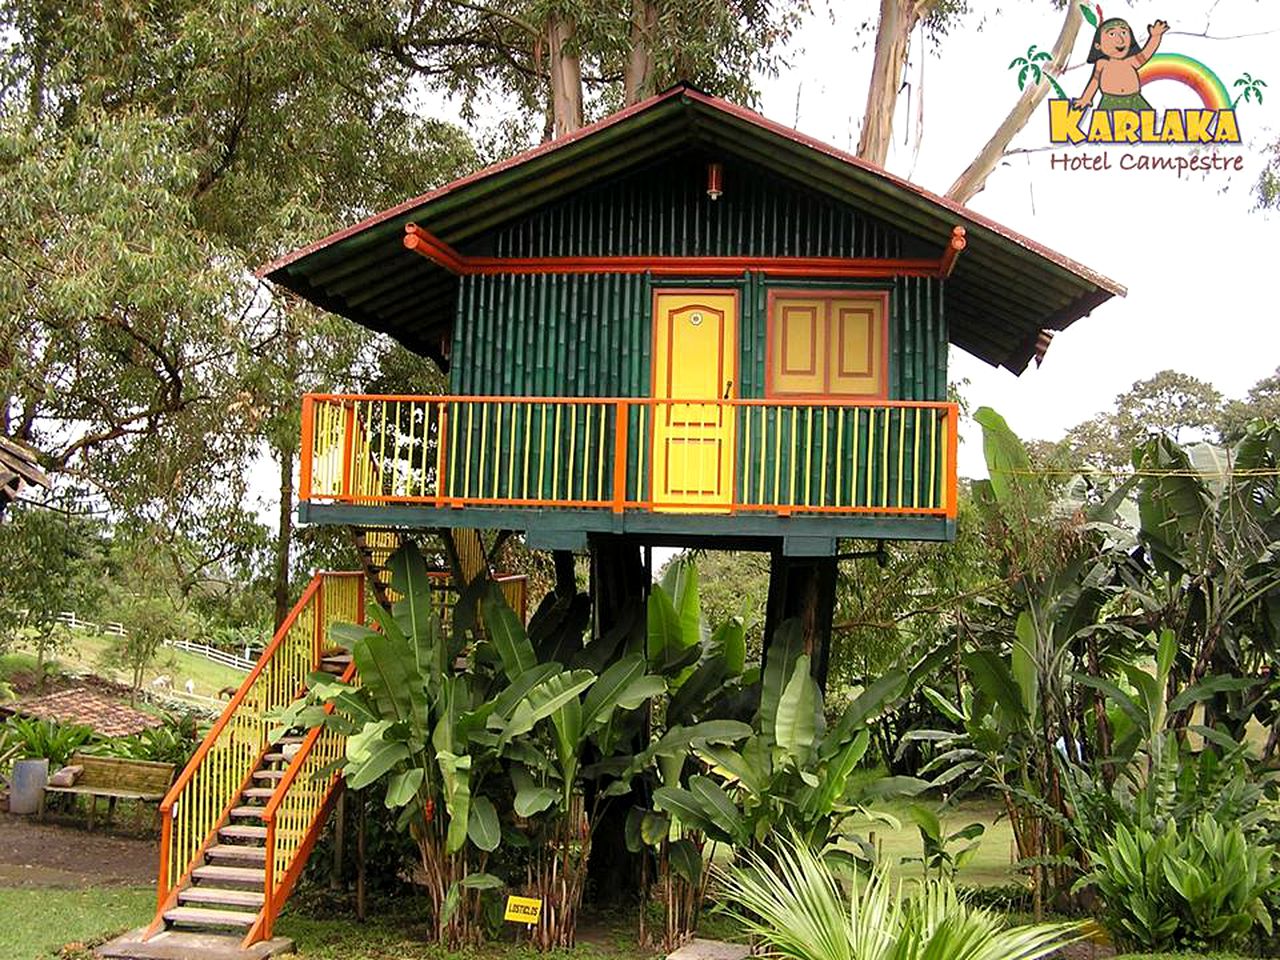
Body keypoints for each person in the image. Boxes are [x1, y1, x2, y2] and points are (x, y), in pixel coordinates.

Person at [1073, 13, 1169, 112]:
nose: (1120, 40)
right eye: (1112, 34)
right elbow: (1094, 81)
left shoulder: (1131, 61)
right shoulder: (1102, 63)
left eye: (1123, 33)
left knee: (1148, 125)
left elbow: (1147, 53)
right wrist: (1086, 99)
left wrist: (1155, 36)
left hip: (1134, 101)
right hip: (1110, 102)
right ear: (1098, 46)